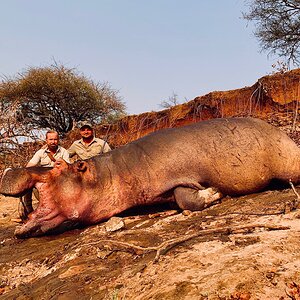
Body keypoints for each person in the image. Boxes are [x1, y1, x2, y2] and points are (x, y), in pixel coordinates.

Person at [19, 130, 70, 221]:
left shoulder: (64, 151)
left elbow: (68, 170)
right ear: (46, 140)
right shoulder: (40, 152)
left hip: (59, 181)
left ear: (58, 140)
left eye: (55, 139)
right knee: (27, 184)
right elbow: (29, 166)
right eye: (50, 139)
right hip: (44, 181)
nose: (53, 142)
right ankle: (28, 211)